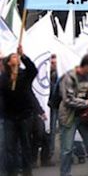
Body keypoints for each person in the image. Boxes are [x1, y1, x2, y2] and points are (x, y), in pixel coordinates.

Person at [1, 45, 45, 176]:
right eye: (13, 56)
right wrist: (10, 81)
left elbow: (33, 70)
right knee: (10, 147)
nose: (16, 57)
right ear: (8, 63)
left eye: (16, 56)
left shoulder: (24, 74)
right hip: (9, 116)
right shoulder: (3, 77)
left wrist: (24, 56)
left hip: (25, 115)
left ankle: (27, 172)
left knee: (25, 144)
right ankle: (11, 172)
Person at [58, 54, 88, 176]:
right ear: (87, 66)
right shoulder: (69, 77)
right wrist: (86, 102)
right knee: (67, 148)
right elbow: (68, 99)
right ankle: (65, 173)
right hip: (69, 116)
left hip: (85, 116)